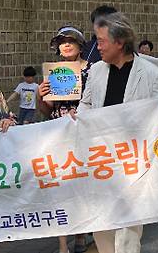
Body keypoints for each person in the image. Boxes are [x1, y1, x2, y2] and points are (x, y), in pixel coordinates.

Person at [75, 12, 158, 253]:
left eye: (100, 41)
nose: (96, 46)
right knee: (102, 224)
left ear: (119, 42)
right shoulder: (96, 70)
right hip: (101, 158)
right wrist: (77, 116)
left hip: (133, 162)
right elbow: (86, 104)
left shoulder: (150, 73)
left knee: (127, 232)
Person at [37, 25, 93, 253]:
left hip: (86, 133)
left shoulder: (94, 70)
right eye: (62, 42)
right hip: (58, 133)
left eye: (71, 41)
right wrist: (41, 96)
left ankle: (81, 233)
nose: (66, 44)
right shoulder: (53, 72)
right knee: (60, 186)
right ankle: (62, 244)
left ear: (80, 45)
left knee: (82, 184)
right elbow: (45, 109)